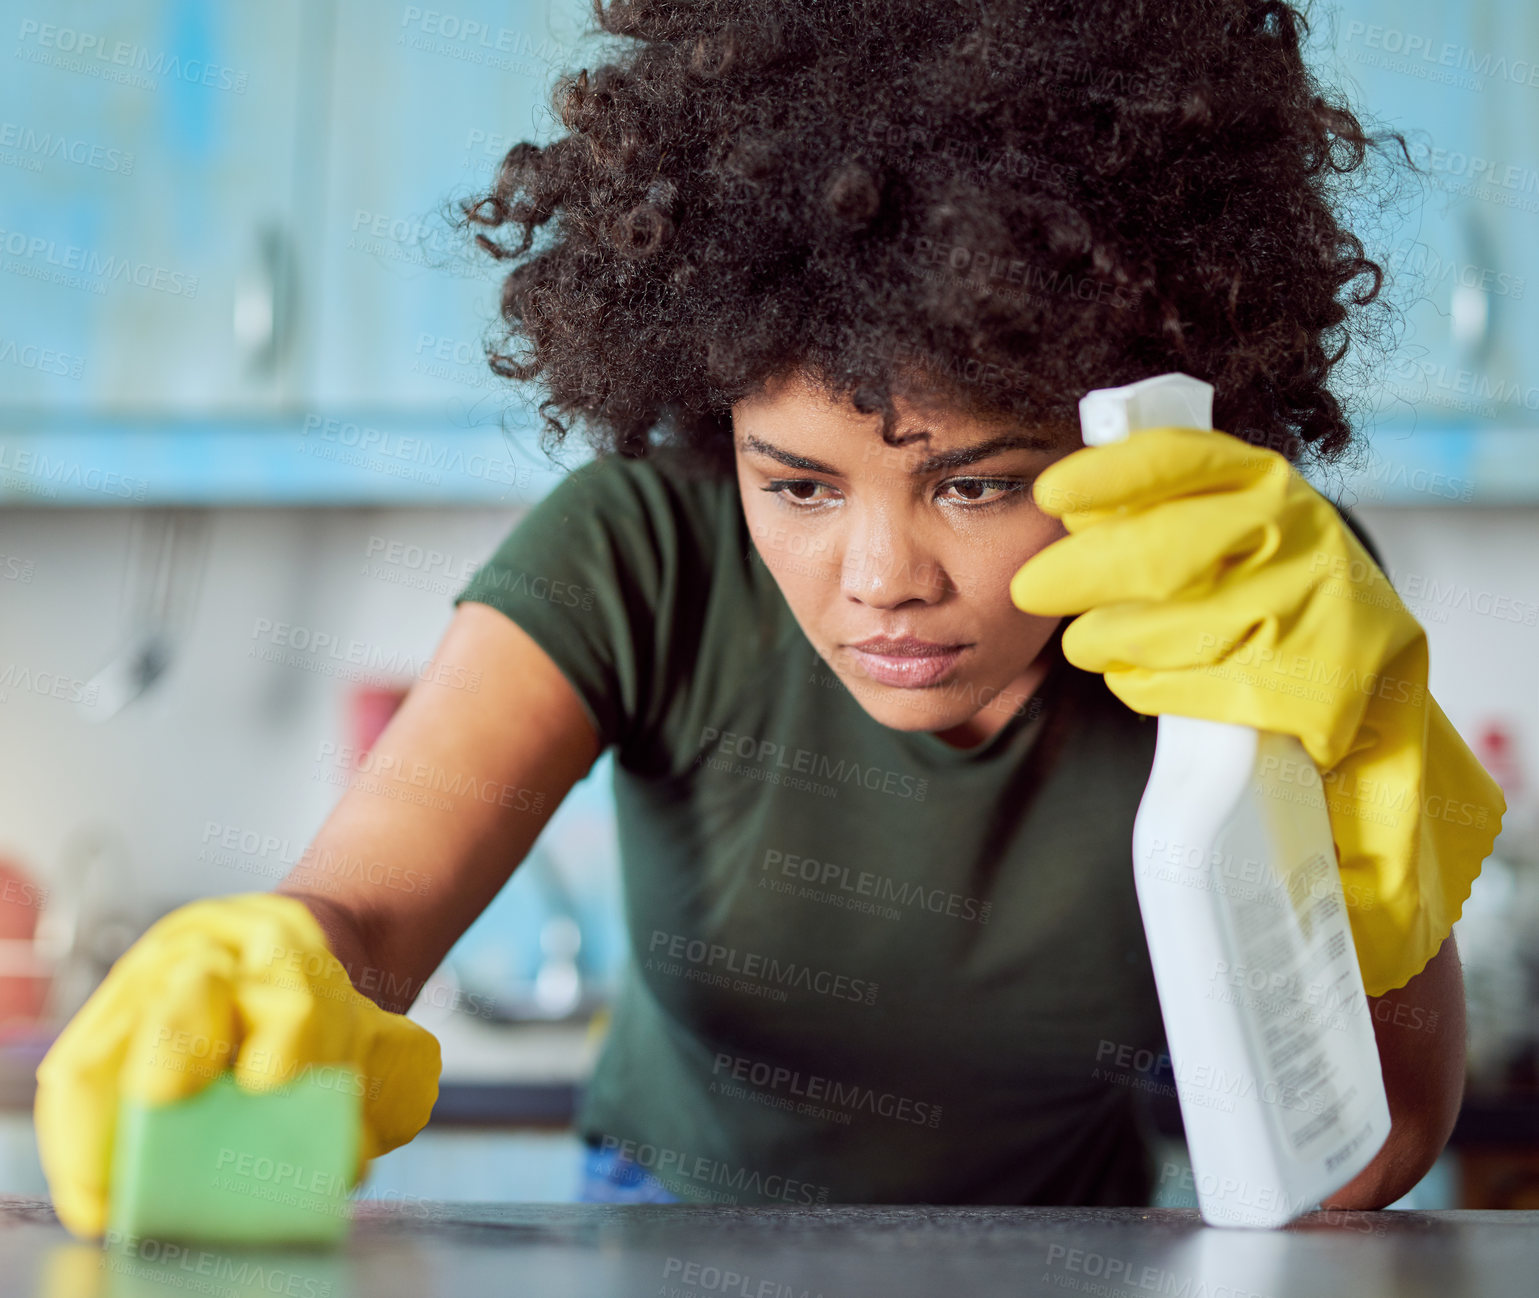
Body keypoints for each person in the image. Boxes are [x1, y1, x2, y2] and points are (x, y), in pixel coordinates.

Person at [35, 0, 1504, 1234]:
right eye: (797, 484)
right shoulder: (638, 554)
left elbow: (1368, 1163)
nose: (879, 577)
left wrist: (1364, 804)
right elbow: (363, 912)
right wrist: (277, 957)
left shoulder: (1246, 610)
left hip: (1076, 1245)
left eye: (980, 485)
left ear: (1135, 431)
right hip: (666, 1228)